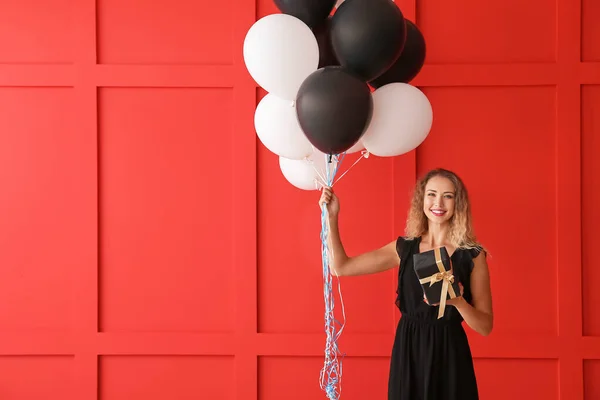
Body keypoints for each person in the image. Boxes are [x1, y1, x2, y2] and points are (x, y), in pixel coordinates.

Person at [318, 168, 493, 400]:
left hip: (450, 353)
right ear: (422, 199)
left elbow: (485, 326)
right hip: (409, 350)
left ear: (457, 203)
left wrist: (458, 302)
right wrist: (331, 217)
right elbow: (341, 267)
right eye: (431, 194)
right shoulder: (405, 248)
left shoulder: (472, 255)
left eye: (448, 196)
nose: (438, 202)